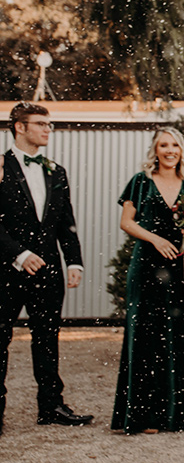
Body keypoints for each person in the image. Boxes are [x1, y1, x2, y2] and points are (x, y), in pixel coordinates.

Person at [0, 102, 93, 434]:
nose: (47, 130)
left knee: (47, 339)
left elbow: (65, 223)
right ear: (19, 127)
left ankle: (51, 406)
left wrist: (75, 261)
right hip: (5, 270)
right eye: (39, 124)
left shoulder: (57, 171)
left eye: (48, 125)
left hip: (49, 271)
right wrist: (19, 254)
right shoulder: (0, 166)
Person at [111, 127, 184, 434]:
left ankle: (179, 413)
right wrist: (155, 239)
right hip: (148, 266)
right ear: (156, 150)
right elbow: (127, 222)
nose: (169, 150)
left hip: (178, 267)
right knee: (146, 336)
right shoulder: (140, 181)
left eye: (174, 145)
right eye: (163, 145)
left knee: (178, 334)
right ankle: (144, 416)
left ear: (181, 150)